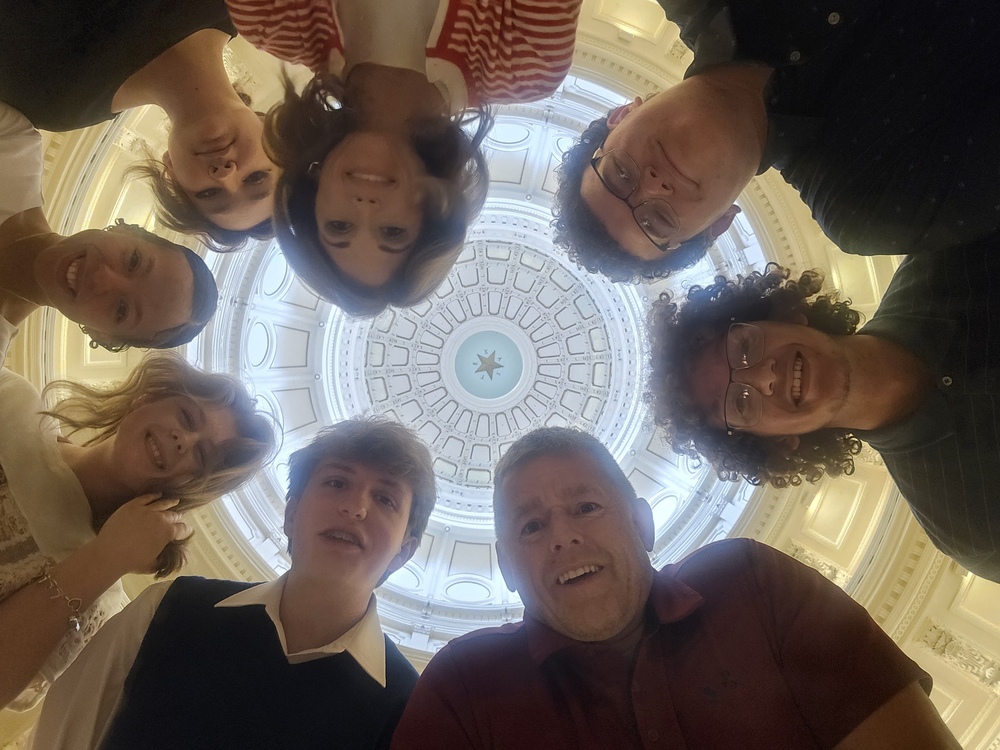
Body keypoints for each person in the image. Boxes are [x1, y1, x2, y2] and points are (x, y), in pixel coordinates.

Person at [390, 427, 962, 749]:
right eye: (531, 526)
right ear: (509, 568)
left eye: (586, 507)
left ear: (642, 523)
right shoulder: (464, 683)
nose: (562, 536)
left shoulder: (749, 583)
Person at [35, 417, 437, 750]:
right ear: (291, 515)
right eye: (336, 483)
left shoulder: (411, 708)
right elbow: (65, 731)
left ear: (404, 552)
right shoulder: (170, 607)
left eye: (385, 499)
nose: (355, 507)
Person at [552, 0, 1000, 282]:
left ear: (622, 114)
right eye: (657, 223)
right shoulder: (868, 200)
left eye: (618, 175)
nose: (650, 185)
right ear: (718, 225)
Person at [648, 246, 1000, 581]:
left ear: (783, 315)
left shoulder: (948, 259)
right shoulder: (971, 528)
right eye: (739, 403)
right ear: (779, 443)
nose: (766, 377)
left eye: (743, 348)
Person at [228, 0, 583, 315]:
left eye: (339, 226)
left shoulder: (269, 18)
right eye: (392, 231)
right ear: (431, 208)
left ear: (314, 192)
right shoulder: (529, 60)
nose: (365, 205)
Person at [0, 349, 276, 710]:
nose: (183, 440)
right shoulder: (12, 405)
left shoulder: (102, 608)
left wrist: (106, 558)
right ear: (144, 401)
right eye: (187, 417)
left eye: (202, 456)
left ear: (189, 486)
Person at [0, 0, 278, 250]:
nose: (224, 174)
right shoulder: (240, 5)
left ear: (171, 172)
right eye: (255, 178)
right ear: (274, 133)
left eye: (209, 194)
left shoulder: (56, 100)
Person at [0, 100, 218, 351]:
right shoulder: (10, 145)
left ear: (104, 337)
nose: (102, 279)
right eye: (134, 261)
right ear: (128, 230)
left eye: (121, 311)